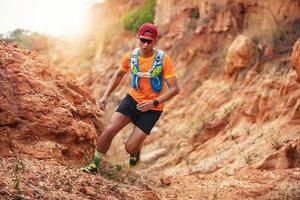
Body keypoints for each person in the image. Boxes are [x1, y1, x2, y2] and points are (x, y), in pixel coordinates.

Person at [81, 22, 180, 173]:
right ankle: (94, 165)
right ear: (137, 38)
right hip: (132, 100)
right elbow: (119, 75)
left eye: (149, 41)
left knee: (130, 147)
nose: (145, 45)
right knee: (110, 130)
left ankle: (135, 153)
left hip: (153, 108)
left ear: (155, 41)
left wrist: (154, 102)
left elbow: (175, 89)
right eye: (142, 40)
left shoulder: (163, 59)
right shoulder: (131, 56)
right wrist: (105, 95)